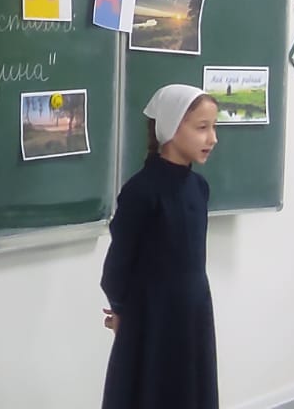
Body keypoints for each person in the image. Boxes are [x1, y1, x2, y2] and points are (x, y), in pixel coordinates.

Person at [99, 84, 221, 409]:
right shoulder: (141, 191)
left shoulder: (199, 187)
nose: (212, 138)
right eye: (202, 128)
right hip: (151, 318)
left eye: (214, 127)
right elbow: (118, 264)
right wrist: (121, 309)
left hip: (193, 312)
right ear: (171, 126)